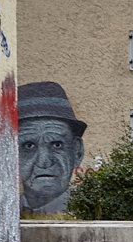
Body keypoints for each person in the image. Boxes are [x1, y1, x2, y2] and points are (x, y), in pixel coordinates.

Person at [18, 81, 86, 212]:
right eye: (29, 146)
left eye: (57, 145)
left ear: (77, 152)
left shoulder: (86, 210)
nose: (44, 162)